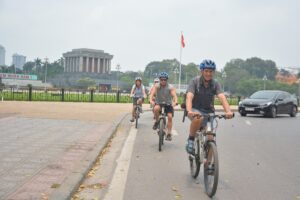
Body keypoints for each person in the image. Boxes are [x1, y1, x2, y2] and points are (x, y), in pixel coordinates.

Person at [185, 59, 233, 154]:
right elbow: (189, 96)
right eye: (206, 71)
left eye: (211, 71)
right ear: (202, 71)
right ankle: (190, 139)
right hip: (196, 110)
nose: (208, 74)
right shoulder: (195, 82)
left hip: (209, 113)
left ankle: (209, 165)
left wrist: (228, 111)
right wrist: (189, 110)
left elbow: (222, 97)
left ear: (213, 72)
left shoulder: (215, 83)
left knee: (211, 138)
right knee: (198, 118)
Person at [149, 72, 178, 141]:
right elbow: (152, 94)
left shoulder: (170, 87)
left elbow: (174, 95)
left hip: (168, 104)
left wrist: (175, 102)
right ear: (160, 80)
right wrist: (151, 100)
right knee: (156, 109)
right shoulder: (157, 86)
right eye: (161, 80)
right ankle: (157, 122)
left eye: (165, 80)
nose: (163, 81)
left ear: (167, 80)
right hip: (159, 103)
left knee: (170, 117)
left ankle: (169, 134)